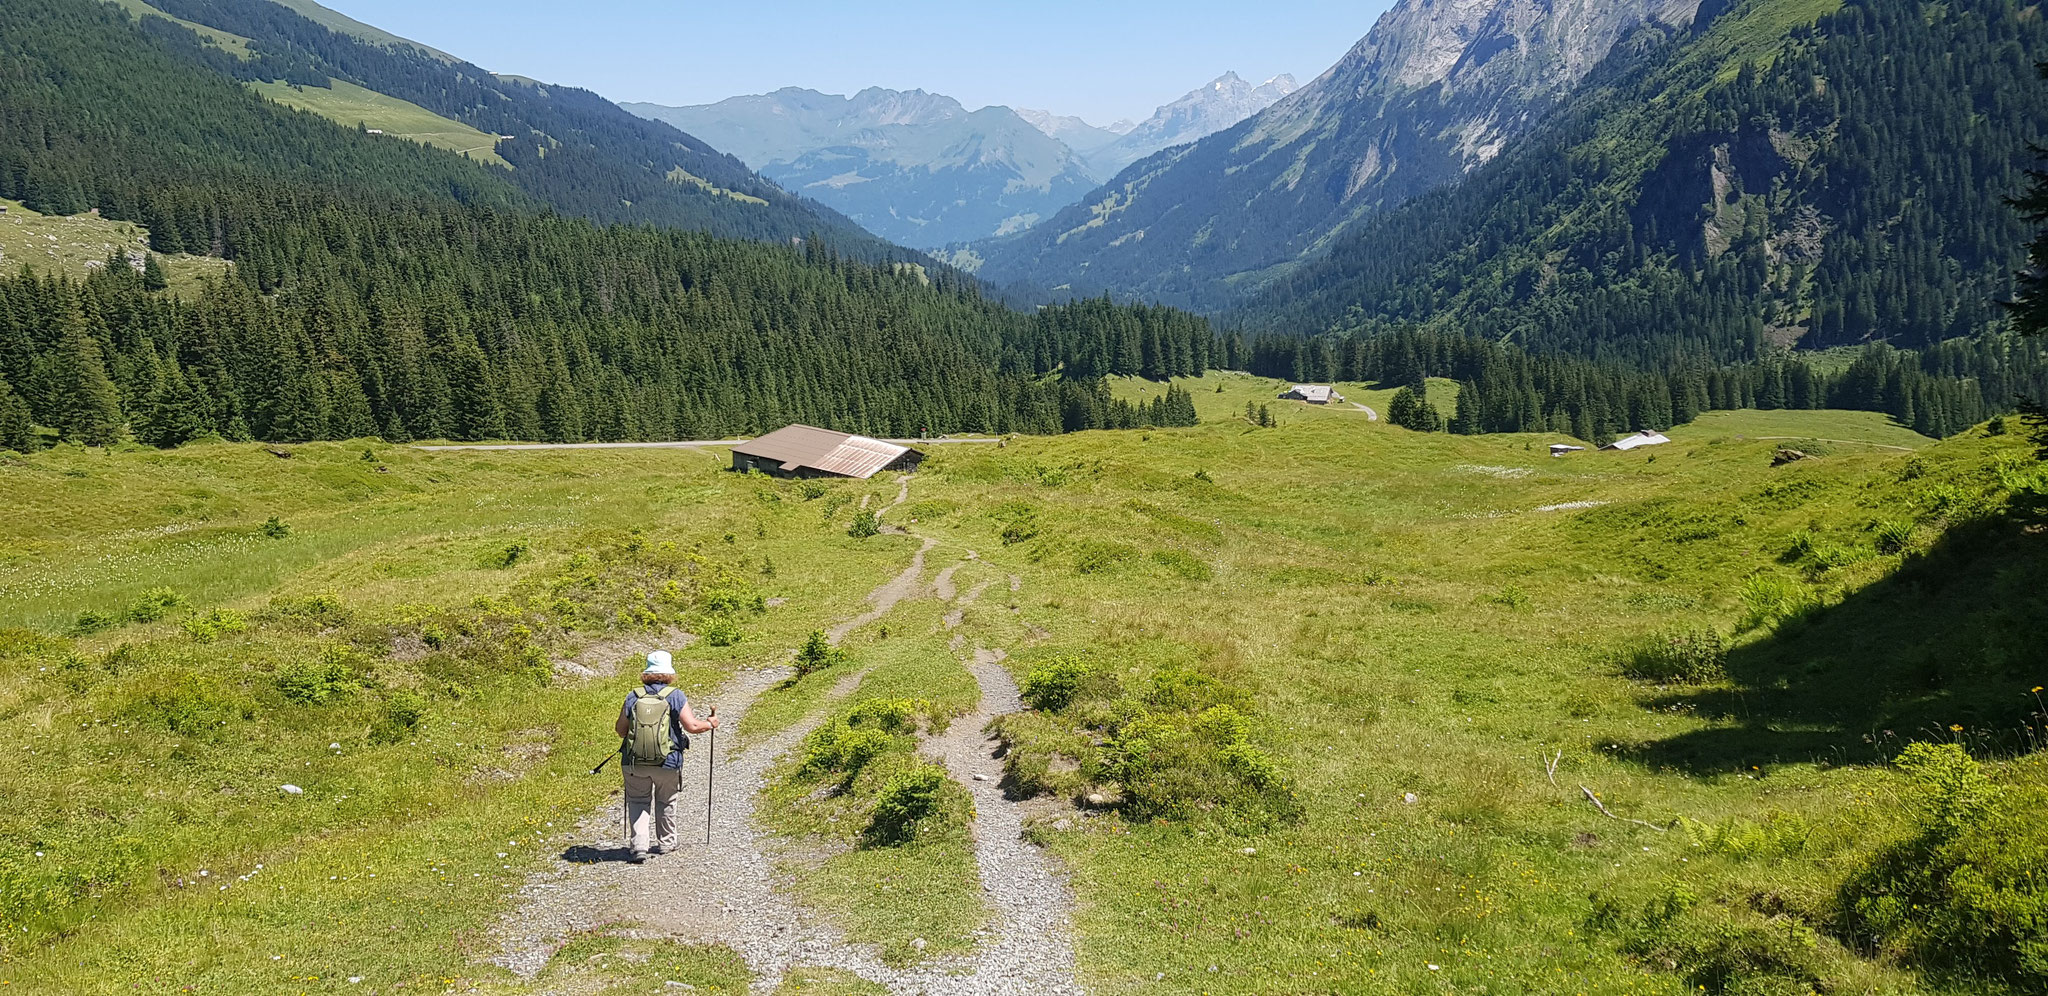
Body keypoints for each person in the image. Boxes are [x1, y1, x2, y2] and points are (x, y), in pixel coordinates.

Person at [615, 650, 717, 863]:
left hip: (634, 761)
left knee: (637, 800)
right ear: (669, 673)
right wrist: (711, 724)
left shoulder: (633, 695)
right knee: (666, 800)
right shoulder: (675, 695)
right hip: (667, 761)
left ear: (646, 672)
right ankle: (667, 843)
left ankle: (639, 846)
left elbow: (621, 731)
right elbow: (692, 726)